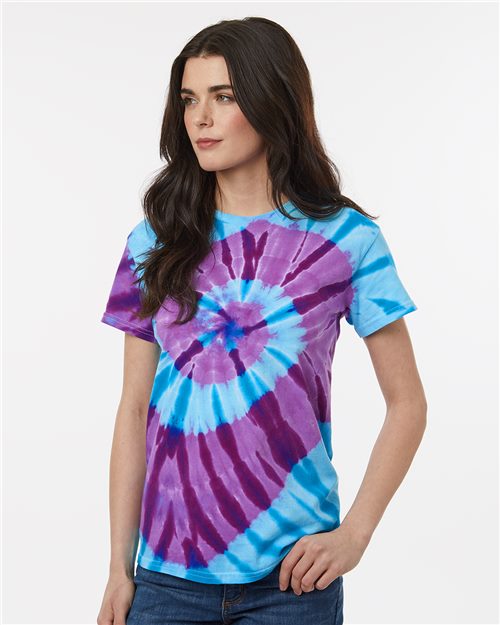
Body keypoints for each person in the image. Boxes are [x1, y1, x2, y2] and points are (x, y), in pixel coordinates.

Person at [96, 16, 427, 625]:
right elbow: (133, 409)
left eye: (223, 97)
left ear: (273, 100)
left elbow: (408, 403)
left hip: (294, 580)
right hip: (166, 578)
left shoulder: (347, 240)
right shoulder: (154, 241)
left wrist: (354, 535)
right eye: (189, 100)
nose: (201, 118)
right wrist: (119, 568)